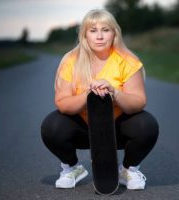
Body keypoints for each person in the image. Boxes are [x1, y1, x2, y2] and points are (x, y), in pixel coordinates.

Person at [41, 9, 159, 190]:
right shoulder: (71, 61)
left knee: (147, 124)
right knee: (52, 126)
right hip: (84, 129)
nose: (100, 36)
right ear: (84, 35)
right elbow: (63, 104)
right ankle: (71, 168)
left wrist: (115, 93)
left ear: (114, 34)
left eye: (105, 30)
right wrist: (88, 93)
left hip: (115, 129)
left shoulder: (127, 61)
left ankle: (128, 170)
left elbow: (139, 102)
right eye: (93, 30)